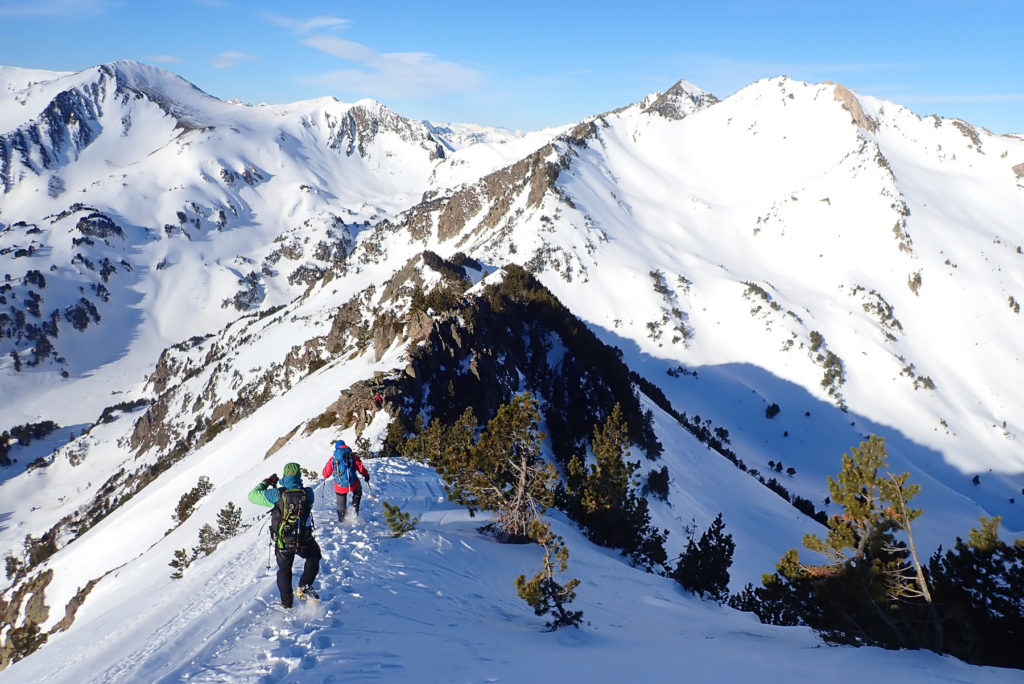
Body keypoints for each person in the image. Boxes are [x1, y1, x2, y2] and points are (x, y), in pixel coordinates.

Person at [248, 462, 321, 608]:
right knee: (314, 557)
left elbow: (252, 496)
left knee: (285, 569)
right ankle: (304, 587)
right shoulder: (308, 493)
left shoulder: (277, 494)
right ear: (299, 475)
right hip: (303, 539)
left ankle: (287, 603)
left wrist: (267, 482)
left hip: (283, 541)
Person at [322, 439, 369, 520]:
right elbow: (360, 467)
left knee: (341, 503)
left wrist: (325, 476)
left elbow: (325, 473)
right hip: (353, 483)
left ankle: (342, 518)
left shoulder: (334, 458)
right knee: (358, 491)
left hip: (340, 486)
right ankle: (355, 507)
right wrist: (366, 475)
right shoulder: (352, 456)